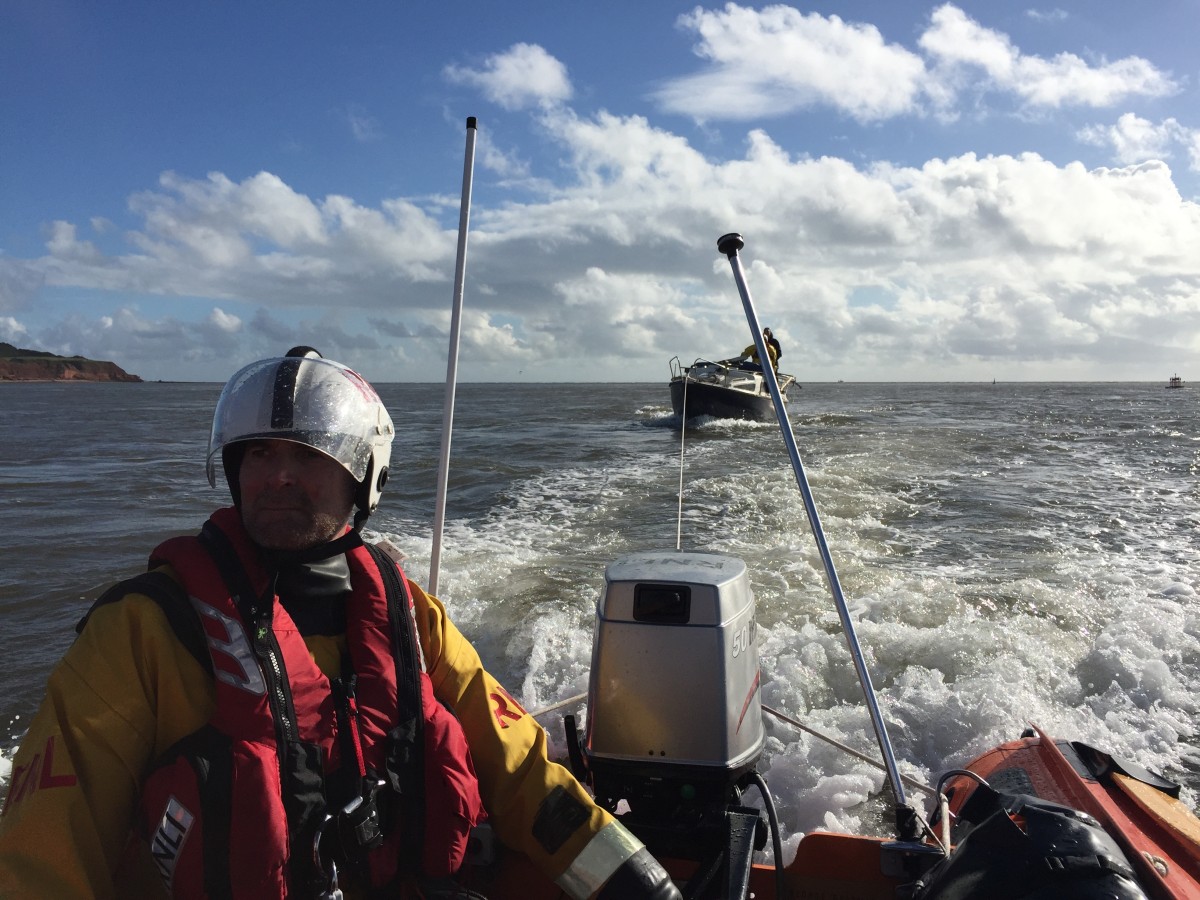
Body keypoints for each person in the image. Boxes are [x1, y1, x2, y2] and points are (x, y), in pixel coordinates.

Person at [0, 348, 681, 900]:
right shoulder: (143, 629)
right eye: (259, 455)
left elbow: (519, 768)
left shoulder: (407, 614)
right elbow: (48, 840)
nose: (279, 478)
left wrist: (638, 883)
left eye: (309, 454)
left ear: (362, 475)